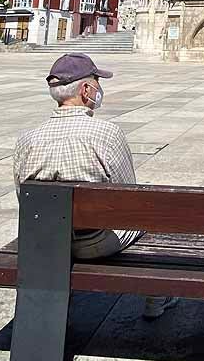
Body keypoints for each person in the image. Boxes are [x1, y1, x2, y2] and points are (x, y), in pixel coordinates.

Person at [13, 53, 177, 320]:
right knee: (151, 213)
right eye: (97, 82)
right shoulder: (106, 133)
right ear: (86, 89)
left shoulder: (26, 139)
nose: (100, 88)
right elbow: (128, 198)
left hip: (47, 240)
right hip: (96, 242)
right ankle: (156, 297)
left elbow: (23, 195)